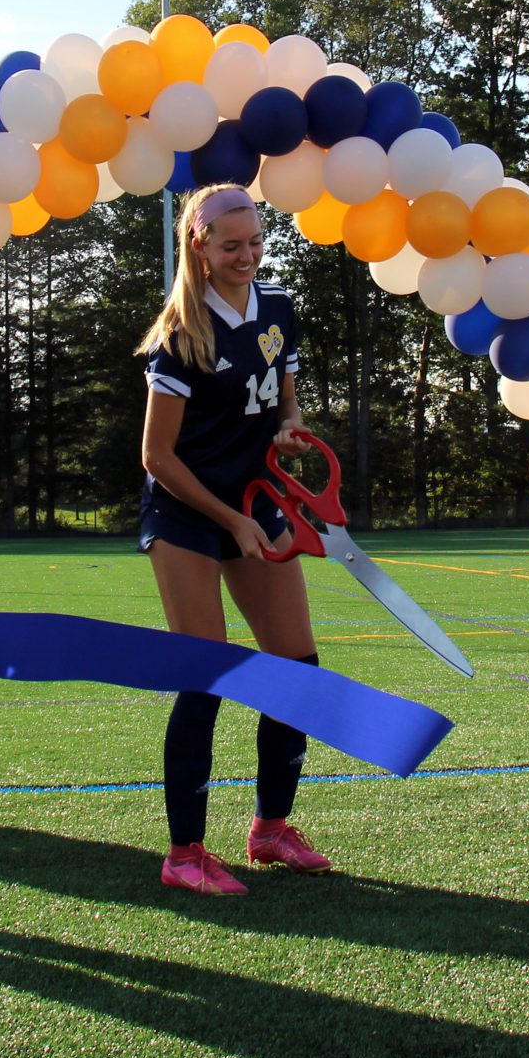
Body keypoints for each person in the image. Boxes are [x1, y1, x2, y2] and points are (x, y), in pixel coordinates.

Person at [138, 184, 325, 895]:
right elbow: (157, 458)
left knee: (296, 665)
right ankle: (184, 851)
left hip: (256, 501)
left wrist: (290, 425)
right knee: (207, 671)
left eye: (254, 243)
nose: (246, 256)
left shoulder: (276, 308)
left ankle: (270, 829)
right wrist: (231, 519)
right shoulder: (178, 335)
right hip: (188, 513)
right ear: (200, 247)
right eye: (230, 246)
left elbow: (284, 392)